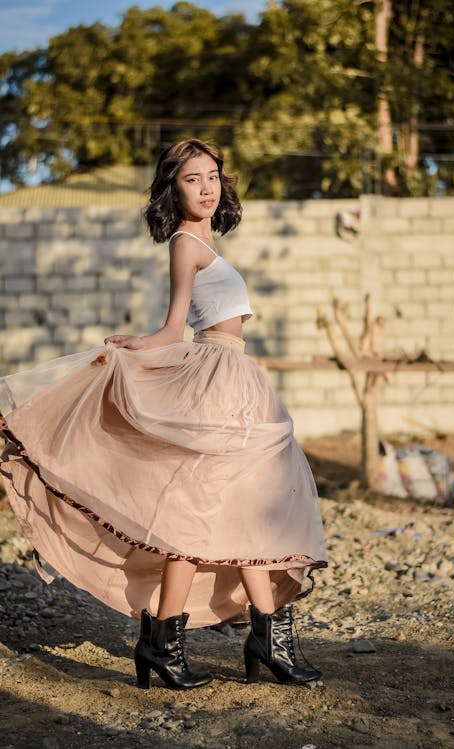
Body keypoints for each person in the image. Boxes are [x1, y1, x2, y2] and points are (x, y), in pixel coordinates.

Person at [0, 138, 327, 690]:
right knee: (202, 513)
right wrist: (134, 349)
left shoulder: (207, 240)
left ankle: (244, 640)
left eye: (213, 176)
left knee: (239, 511)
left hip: (236, 378)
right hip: (217, 379)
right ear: (173, 189)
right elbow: (174, 330)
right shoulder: (186, 243)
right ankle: (184, 644)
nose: (206, 187)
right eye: (192, 179)